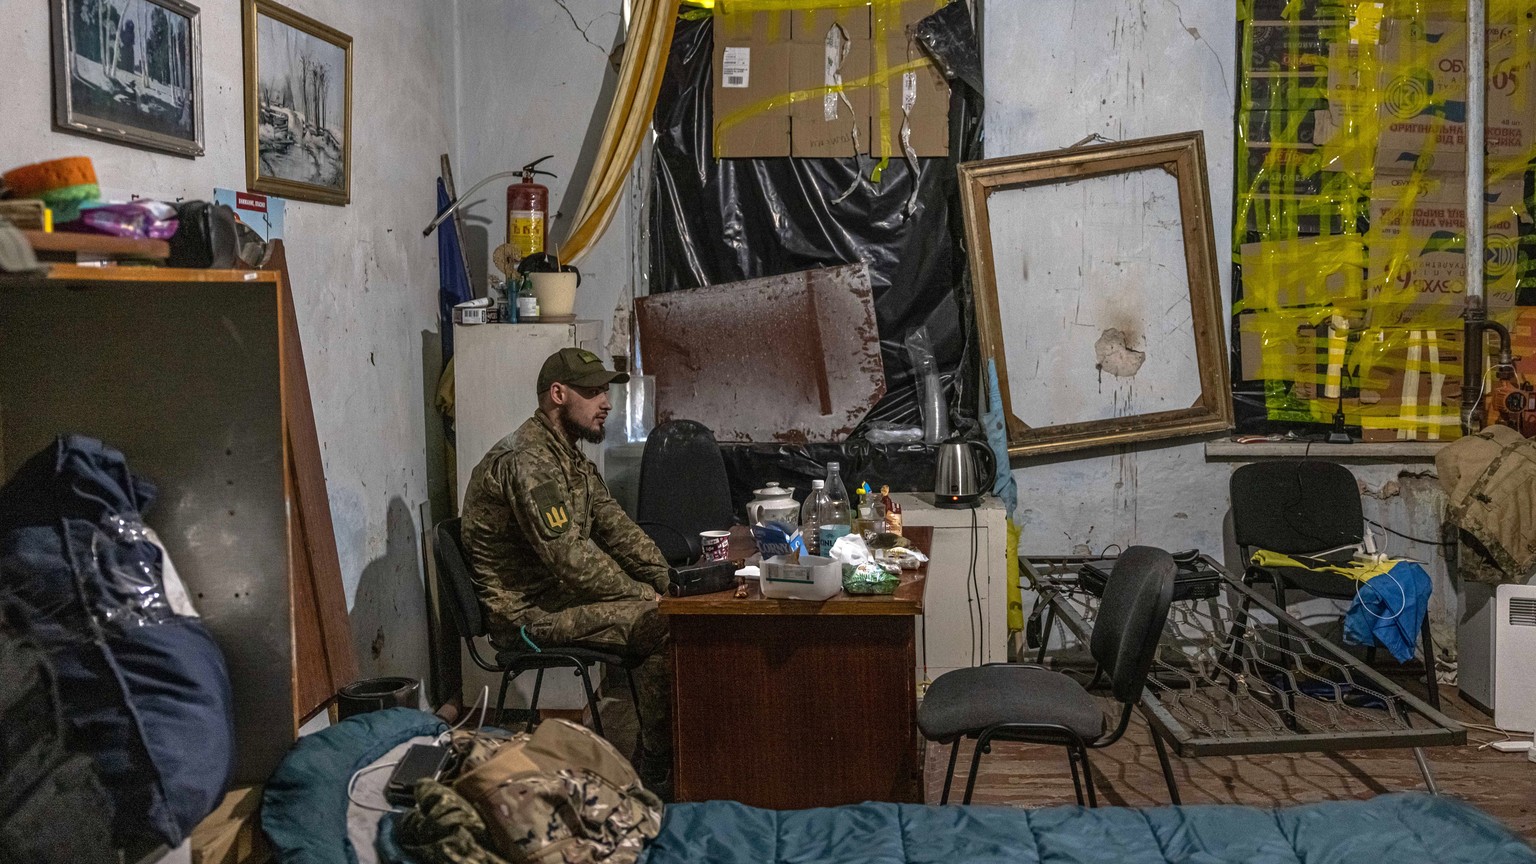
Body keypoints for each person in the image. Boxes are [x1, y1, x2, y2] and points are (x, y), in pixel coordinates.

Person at [460, 347, 672, 791]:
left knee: (673, 612)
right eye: (593, 392)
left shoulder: (571, 459)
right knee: (657, 623)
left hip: (557, 600)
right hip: (524, 619)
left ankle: (668, 755)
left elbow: (619, 531)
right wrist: (645, 597)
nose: (606, 403)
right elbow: (569, 557)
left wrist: (673, 582)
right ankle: (659, 766)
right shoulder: (528, 460)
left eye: (605, 392)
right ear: (558, 394)